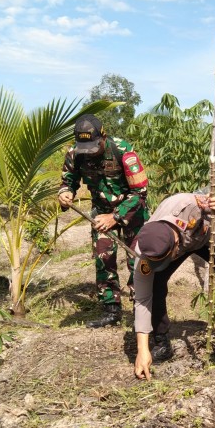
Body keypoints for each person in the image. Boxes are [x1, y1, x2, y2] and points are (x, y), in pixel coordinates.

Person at [132, 191, 215, 380]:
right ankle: (161, 342)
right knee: (155, 285)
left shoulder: (190, 205)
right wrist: (142, 350)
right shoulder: (146, 250)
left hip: (210, 234)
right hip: (176, 243)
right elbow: (142, 298)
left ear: (175, 244)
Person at [58, 114, 148, 328]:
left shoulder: (123, 151)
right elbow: (67, 180)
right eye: (84, 146)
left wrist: (115, 217)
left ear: (103, 137)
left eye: (93, 145)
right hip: (100, 211)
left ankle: (141, 311)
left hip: (132, 213)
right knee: (103, 258)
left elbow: (140, 192)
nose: (89, 151)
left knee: (137, 261)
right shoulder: (75, 153)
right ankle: (111, 310)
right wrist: (65, 193)